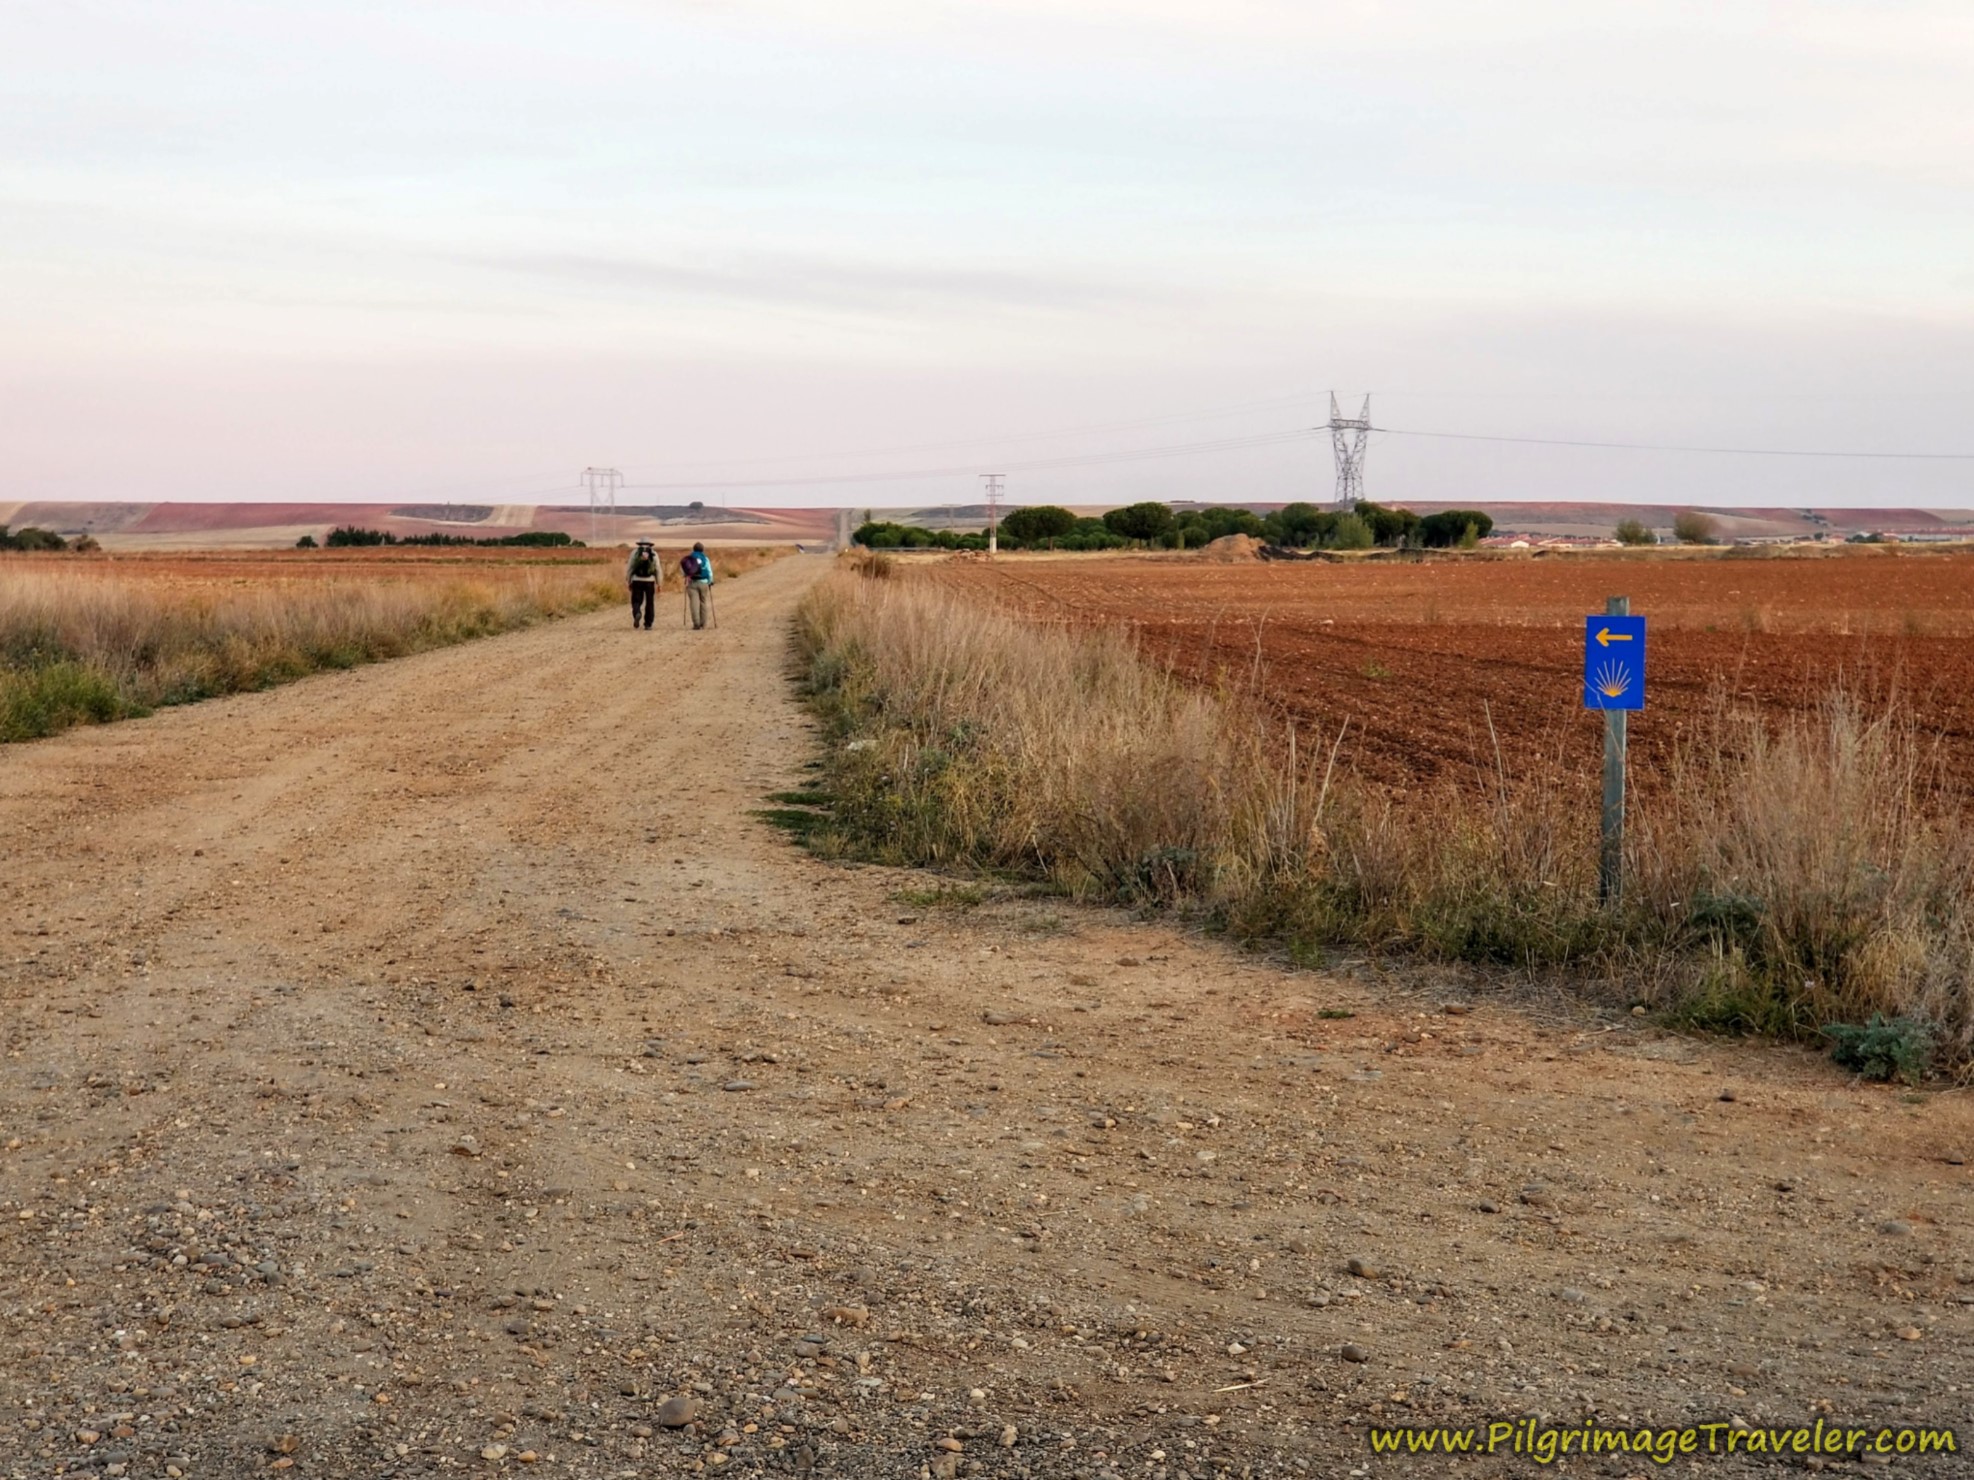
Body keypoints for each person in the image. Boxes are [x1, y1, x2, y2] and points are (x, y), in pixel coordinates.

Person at [626, 539, 661, 629]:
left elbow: (630, 567)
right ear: (650, 544)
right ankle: (648, 624)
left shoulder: (634, 553)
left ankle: (637, 612)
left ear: (640, 544)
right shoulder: (654, 553)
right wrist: (659, 583)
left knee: (636, 600)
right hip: (650, 581)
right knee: (650, 602)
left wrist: (629, 580)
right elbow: (657, 569)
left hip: (637, 580)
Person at [680, 542, 715, 630]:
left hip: (692, 583)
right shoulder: (705, 558)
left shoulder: (689, 558)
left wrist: (686, 576)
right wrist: (710, 581)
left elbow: (684, 571)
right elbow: (709, 571)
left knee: (694, 604)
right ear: (702, 550)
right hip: (703, 583)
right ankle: (703, 624)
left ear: (693, 549)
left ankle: (696, 624)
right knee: (703, 602)